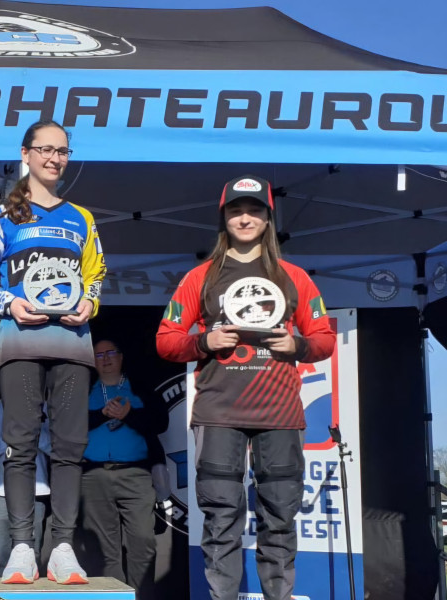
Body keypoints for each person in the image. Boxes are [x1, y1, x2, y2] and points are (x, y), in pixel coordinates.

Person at [156, 175, 335, 600]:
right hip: (219, 414)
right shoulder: (200, 277)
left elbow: (324, 339)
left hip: (280, 414)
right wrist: (204, 341)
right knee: (221, 519)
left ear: (268, 218)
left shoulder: (294, 277)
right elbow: (166, 340)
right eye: (236, 211)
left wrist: (297, 345)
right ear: (224, 218)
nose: (245, 218)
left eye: (254, 210)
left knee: (280, 517)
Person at [0, 119, 106, 585]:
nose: (54, 158)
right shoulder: (3, 217)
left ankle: (62, 546)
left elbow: (96, 275)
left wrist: (90, 303)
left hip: (72, 342)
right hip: (20, 341)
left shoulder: (82, 218)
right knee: (20, 444)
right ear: (25, 154)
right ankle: (22, 546)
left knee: (70, 446)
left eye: (62, 151)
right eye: (45, 149)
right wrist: (10, 303)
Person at [80, 339, 168, 600]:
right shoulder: (84, 389)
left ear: (121, 357)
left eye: (110, 353)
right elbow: (67, 425)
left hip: (136, 475)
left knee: (143, 542)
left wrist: (128, 414)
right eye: (99, 355)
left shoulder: (140, 388)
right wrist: (103, 414)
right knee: (104, 549)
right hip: (93, 475)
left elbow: (160, 423)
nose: (105, 359)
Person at [0, 399, 51, 577]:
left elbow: (55, 446)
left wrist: (31, 432)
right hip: (0, 492)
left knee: (31, 555)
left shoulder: (44, 407)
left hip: (36, 490)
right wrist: (11, 437)